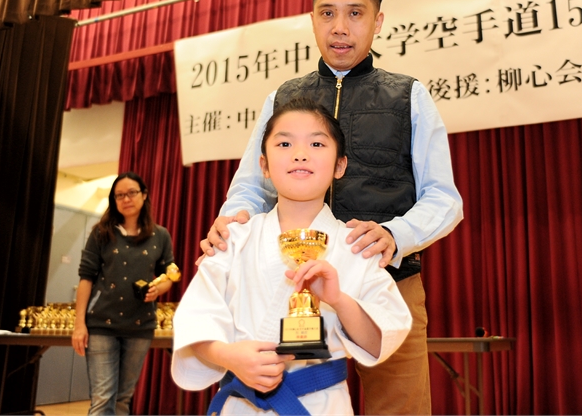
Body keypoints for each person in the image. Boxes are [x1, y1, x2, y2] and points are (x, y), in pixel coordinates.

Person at [200, 0, 464, 414]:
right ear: (312, 19)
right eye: (327, 13)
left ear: (377, 21)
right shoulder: (283, 98)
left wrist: (395, 234)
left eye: (355, 13)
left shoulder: (409, 95)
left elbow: (444, 198)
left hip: (387, 284)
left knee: (399, 410)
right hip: (290, 287)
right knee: (292, 404)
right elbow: (250, 188)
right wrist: (231, 223)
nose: (340, 27)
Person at [172, 98, 412, 414]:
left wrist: (338, 299)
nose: (300, 153)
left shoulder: (357, 246)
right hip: (242, 405)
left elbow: (380, 340)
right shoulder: (235, 238)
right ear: (264, 166)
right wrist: (229, 356)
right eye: (284, 143)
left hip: (322, 405)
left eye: (317, 143)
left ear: (340, 166)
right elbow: (195, 318)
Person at [72, 172, 178, 416]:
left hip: (140, 325)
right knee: (102, 397)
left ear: (144, 195)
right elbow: (86, 277)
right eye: (119, 195)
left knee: (123, 398)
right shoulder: (101, 233)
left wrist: (158, 289)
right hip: (101, 324)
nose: (126, 199)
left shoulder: (160, 235)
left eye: (131, 193)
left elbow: (169, 275)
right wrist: (79, 324)